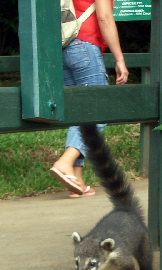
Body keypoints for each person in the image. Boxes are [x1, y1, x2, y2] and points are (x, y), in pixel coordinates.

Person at [49, 0, 128, 198]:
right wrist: (119, 59)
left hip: (62, 47)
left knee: (79, 113)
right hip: (84, 46)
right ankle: (65, 162)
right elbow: (104, 17)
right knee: (99, 108)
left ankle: (76, 180)